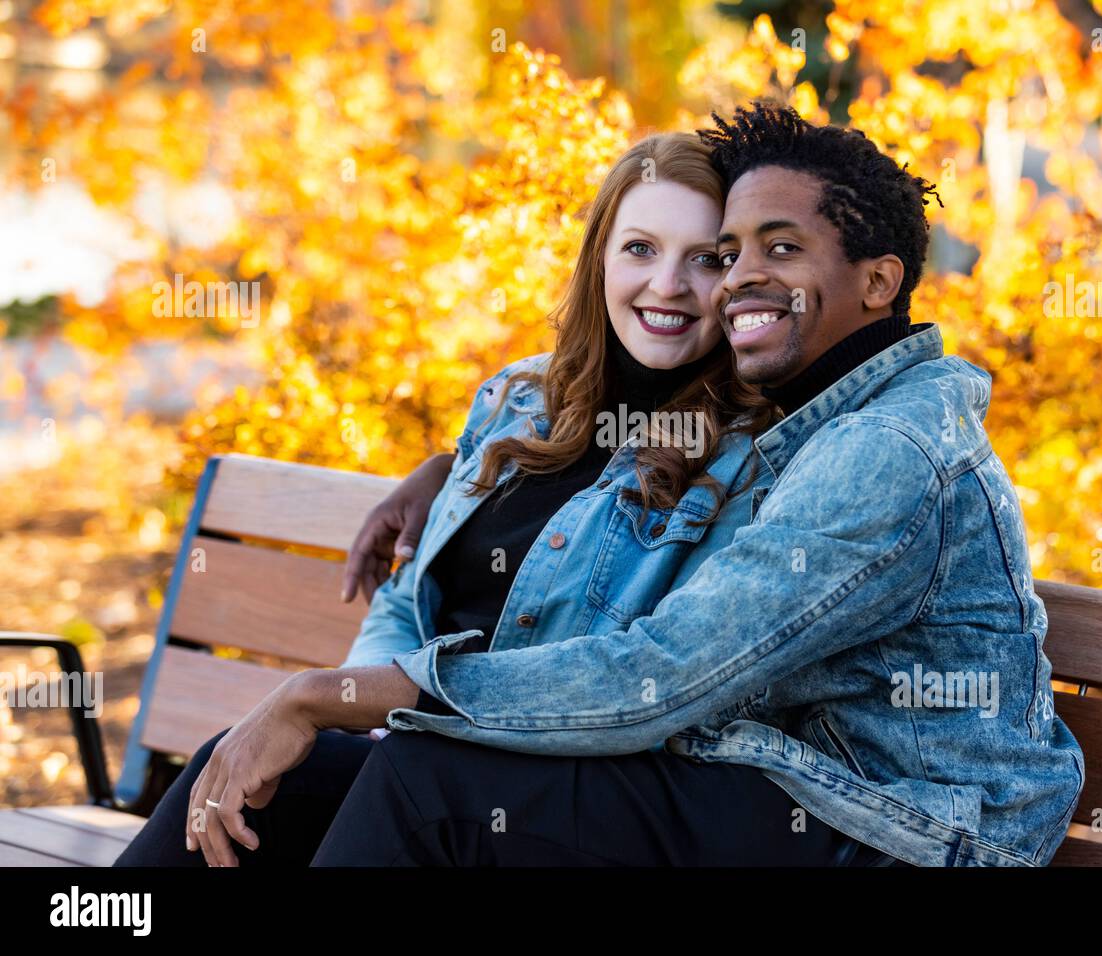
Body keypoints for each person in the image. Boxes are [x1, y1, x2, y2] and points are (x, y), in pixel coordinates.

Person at [114, 129, 904, 867]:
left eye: (704, 260)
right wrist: (366, 711)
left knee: (391, 787)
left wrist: (379, 719)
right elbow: (403, 601)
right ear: (600, 258)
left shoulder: (746, 458)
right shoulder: (520, 399)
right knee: (230, 776)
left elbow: (640, 679)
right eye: (640, 248)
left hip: (526, 794)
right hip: (421, 754)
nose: (667, 285)